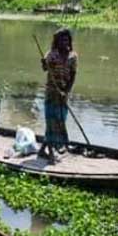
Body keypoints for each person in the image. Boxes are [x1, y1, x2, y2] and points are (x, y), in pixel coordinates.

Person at [39, 28, 77, 164]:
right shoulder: (52, 54)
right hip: (51, 93)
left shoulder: (73, 56)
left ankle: (43, 149)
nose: (64, 42)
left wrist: (66, 91)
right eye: (61, 40)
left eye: (66, 39)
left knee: (59, 123)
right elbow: (45, 69)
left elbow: (73, 75)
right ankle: (50, 154)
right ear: (57, 41)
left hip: (63, 95)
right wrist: (44, 63)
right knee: (51, 123)